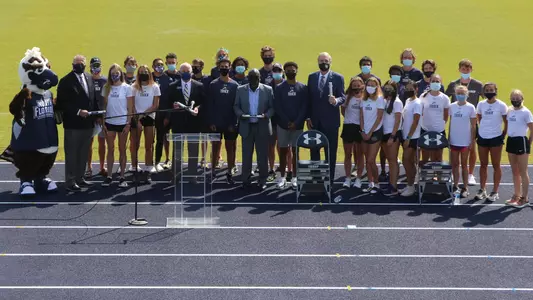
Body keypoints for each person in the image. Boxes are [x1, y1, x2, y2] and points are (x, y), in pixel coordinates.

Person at [56, 54, 98, 192]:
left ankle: (80, 177)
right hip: (73, 124)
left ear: (85, 64)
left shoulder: (89, 78)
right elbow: (62, 103)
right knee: (72, 153)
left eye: (82, 63)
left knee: (83, 152)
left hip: (88, 124)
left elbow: (93, 98)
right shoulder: (65, 81)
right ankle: (70, 180)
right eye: (77, 63)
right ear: (72, 64)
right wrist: (78, 111)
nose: (79, 65)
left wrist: (97, 115)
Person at [307, 52, 346, 184]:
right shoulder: (312, 77)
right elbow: (309, 99)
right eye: (321, 60)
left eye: (326, 60)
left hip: (331, 122)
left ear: (330, 61)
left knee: (330, 152)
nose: (324, 62)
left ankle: (330, 179)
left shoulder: (338, 78)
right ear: (317, 62)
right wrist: (308, 118)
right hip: (315, 121)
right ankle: (316, 178)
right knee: (314, 151)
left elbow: (343, 97)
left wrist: (336, 101)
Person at [234, 69, 275, 191]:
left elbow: (272, 108)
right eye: (251, 78)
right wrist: (241, 114)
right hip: (247, 126)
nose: (253, 81)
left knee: (262, 155)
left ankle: (262, 179)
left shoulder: (267, 90)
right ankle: (245, 179)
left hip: (261, 125)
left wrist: (266, 115)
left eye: (255, 78)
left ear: (259, 78)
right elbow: (236, 106)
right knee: (246, 155)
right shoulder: (241, 89)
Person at [445, 59, 484, 186]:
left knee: (472, 148)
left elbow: (486, 100)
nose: (465, 70)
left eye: (468, 69)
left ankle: (470, 174)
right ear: (459, 69)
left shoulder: (478, 84)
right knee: (454, 149)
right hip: (456, 123)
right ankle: (453, 172)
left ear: (471, 70)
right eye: (463, 68)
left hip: (472, 121)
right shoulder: (453, 84)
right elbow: (446, 99)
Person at [165, 63, 205, 182]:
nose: (185, 73)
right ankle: (176, 174)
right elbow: (168, 102)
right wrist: (173, 106)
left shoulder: (199, 86)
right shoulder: (173, 86)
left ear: (192, 72)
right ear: (179, 72)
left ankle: (192, 174)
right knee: (177, 150)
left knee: (193, 149)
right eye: (183, 71)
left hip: (194, 122)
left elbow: (203, 102)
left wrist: (198, 108)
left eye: (188, 71)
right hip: (178, 122)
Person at [274, 61, 307, 189]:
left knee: (295, 151)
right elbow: (278, 107)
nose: (290, 72)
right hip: (283, 125)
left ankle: (295, 177)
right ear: (284, 72)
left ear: (297, 71)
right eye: (287, 70)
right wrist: (287, 121)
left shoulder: (303, 88)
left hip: (297, 126)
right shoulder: (279, 88)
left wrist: (297, 122)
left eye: (292, 70)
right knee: (283, 151)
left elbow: (304, 107)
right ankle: (282, 177)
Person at [101, 64, 133, 188]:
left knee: (122, 149)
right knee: (110, 149)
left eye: (117, 73)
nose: (115, 75)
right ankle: (109, 176)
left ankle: (122, 176)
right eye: (112, 73)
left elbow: (130, 107)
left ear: (121, 74)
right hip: (110, 122)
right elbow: (104, 106)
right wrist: (103, 121)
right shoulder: (106, 87)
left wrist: (128, 123)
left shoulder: (127, 88)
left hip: (122, 123)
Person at [207, 58, 239, 184]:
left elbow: (236, 105)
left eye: (226, 66)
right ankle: (213, 170)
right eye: (222, 66)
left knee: (230, 147)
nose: (224, 68)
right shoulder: (213, 84)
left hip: (230, 123)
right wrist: (211, 122)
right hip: (216, 123)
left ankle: (230, 170)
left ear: (230, 68)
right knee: (215, 147)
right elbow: (210, 105)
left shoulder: (235, 85)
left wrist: (234, 123)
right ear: (218, 68)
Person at [475, 82, 508, 202]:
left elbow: (506, 122)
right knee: (483, 164)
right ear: (484, 92)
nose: (489, 92)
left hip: (496, 138)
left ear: (495, 91)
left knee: (496, 165)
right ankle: (482, 189)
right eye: (487, 90)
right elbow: (479, 118)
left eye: (491, 90)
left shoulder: (501, 105)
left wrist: (502, 135)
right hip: (483, 137)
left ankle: (495, 191)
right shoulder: (481, 104)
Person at [131, 65, 160, 183]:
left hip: (149, 117)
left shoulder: (155, 86)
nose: (144, 73)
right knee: (135, 145)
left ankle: (148, 168)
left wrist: (144, 114)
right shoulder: (133, 87)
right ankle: (134, 167)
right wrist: (137, 118)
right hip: (136, 117)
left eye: (146, 71)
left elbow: (155, 105)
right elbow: (131, 104)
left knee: (149, 145)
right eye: (141, 72)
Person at [505, 90, 533, 207]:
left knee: (523, 171)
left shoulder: (526, 112)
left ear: (522, 98)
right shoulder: (509, 110)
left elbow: (532, 129)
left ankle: (524, 198)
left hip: (521, 141)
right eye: (513, 98)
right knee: (514, 171)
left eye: (517, 98)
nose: (515, 100)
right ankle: (516, 195)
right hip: (511, 141)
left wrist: (528, 143)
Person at [448, 85, 477, 199]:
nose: (460, 95)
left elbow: (473, 126)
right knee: (454, 164)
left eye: (463, 93)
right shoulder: (452, 106)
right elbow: (451, 122)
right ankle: (455, 185)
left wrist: (472, 141)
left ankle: (465, 187)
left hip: (465, 140)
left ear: (467, 94)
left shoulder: (471, 107)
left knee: (464, 165)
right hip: (454, 139)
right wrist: (449, 136)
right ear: (455, 94)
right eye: (458, 93)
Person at [359, 77, 384, 194]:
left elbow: (379, 118)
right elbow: (361, 117)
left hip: (375, 132)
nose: (370, 87)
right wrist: (363, 131)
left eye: (373, 85)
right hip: (364, 132)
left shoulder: (379, 99)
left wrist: (370, 132)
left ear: (377, 87)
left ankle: (377, 183)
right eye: (368, 84)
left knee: (370, 159)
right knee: (366, 160)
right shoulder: (363, 100)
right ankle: (370, 183)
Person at [419, 74, 450, 164]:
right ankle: (425, 177)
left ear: (441, 83)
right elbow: (420, 112)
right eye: (433, 81)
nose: (435, 83)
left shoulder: (445, 98)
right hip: (425, 129)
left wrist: (439, 125)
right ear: (430, 82)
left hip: (439, 130)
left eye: (437, 81)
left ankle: (437, 177)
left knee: (437, 158)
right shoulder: (423, 96)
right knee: (425, 157)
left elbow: (446, 115)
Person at [341, 77, 365, 188]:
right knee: (347, 154)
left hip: (360, 128)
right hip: (348, 127)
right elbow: (343, 111)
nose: (356, 87)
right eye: (354, 85)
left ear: (362, 86)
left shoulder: (365, 98)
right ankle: (347, 178)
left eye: (358, 85)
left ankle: (359, 178)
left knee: (360, 155)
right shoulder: (347, 98)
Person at [380, 81, 403, 196]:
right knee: (390, 160)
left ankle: (394, 187)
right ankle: (391, 184)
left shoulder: (397, 102)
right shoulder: (384, 101)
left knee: (393, 161)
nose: (387, 89)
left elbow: (398, 120)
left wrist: (392, 136)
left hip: (392, 135)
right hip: (383, 134)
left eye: (390, 88)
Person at [399, 80, 422, 197]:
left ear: (416, 89)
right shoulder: (408, 101)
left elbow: (416, 121)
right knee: (409, 162)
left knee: (407, 161)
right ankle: (410, 185)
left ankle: (411, 186)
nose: (408, 91)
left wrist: (408, 137)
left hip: (413, 137)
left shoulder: (417, 103)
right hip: (405, 135)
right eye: (406, 88)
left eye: (411, 88)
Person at [86, 57, 107, 178]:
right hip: (90, 117)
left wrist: (102, 117)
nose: (96, 68)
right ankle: (88, 167)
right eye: (94, 65)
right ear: (90, 67)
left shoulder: (105, 81)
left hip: (103, 116)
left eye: (98, 65)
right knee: (89, 142)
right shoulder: (87, 80)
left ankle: (102, 166)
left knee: (102, 142)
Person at [266, 62, 285, 182]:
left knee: (283, 147)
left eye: (279, 70)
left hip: (283, 121)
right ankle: (271, 169)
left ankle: (285, 168)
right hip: (271, 121)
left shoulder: (287, 85)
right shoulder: (267, 86)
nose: (277, 73)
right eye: (275, 70)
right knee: (270, 146)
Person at [152, 57, 172, 172]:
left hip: (162, 115)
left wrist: (168, 116)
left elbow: (170, 100)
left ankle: (157, 162)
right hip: (149, 114)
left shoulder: (167, 80)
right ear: (153, 66)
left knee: (160, 139)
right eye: (157, 65)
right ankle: (148, 163)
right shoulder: (149, 77)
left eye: (161, 64)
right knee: (150, 141)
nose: (159, 66)